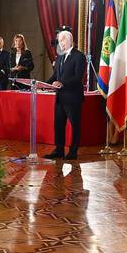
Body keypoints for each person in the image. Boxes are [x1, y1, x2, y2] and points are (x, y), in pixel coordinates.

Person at [43, 30, 86, 161]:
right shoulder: (60, 57)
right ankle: (59, 150)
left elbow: (78, 77)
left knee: (75, 125)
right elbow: (55, 76)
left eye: (62, 40)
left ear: (69, 40)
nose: (59, 43)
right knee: (59, 125)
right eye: (59, 40)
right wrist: (43, 84)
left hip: (73, 98)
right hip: (60, 98)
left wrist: (62, 83)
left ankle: (73, 151)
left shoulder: (79, 56)